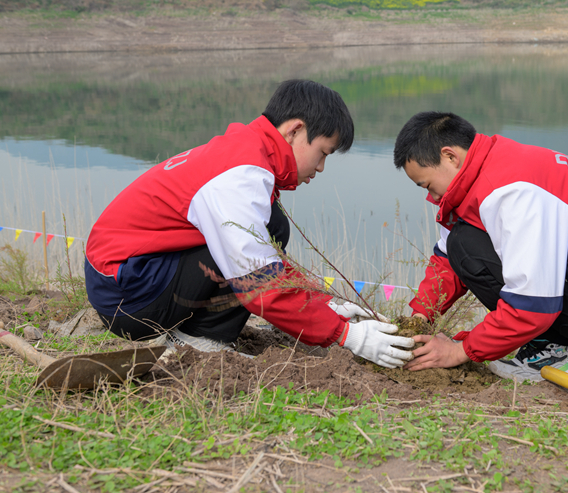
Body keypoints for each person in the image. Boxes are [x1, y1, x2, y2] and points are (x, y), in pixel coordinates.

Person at [84, 79, 414, 368]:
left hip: (135, 277)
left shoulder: (246, 152)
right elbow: (259, 283)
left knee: (271, 226)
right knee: (255, 241)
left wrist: (327, 303)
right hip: (127, 296)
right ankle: (200, 342)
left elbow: (263, 258)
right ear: (295, 130)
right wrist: (349, 336)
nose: (321, 167)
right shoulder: (241, 176)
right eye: (323, 153)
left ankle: (197, 334)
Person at [393, 111, 568, 381]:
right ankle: (554, 344)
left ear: (450, 156)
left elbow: (532, 303)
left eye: (427, 184)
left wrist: (460, 351)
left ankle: (556, 351)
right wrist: (420, 317)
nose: (431, 196)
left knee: (466, 245)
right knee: (462, 241)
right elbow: (448, 258)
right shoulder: (487, 168)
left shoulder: (513, 190)